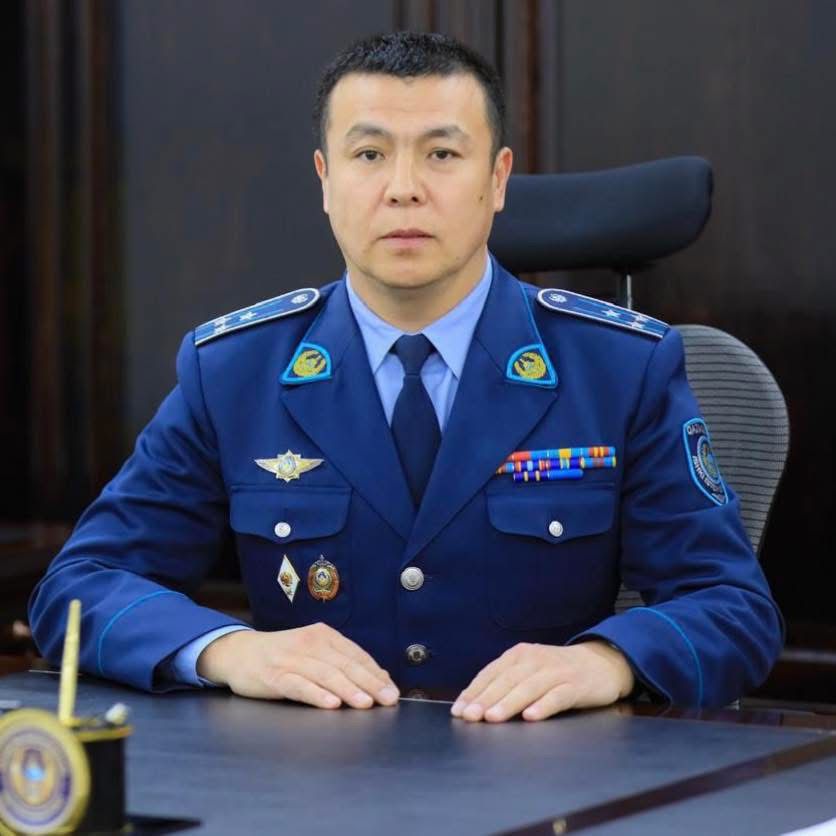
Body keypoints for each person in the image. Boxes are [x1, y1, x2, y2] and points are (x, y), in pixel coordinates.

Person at [29, 32, 782, 723]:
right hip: (309, 783)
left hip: (546, 776)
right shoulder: (234, 371)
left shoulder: (621, 368)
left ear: (498, 179)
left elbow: (733, 607)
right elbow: (80, 586)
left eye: (442, 154)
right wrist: (230, 650)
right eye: (368, 155)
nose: (403, 188)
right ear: (325, 180)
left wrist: (607, 662)